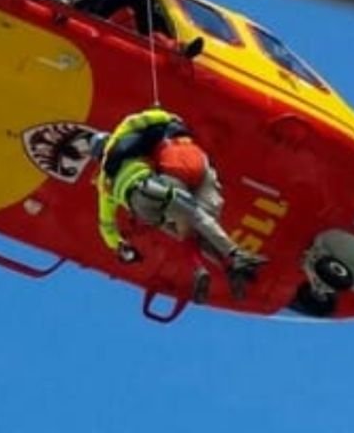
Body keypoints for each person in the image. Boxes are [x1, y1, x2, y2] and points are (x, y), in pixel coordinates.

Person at [92, 107, 267, 302]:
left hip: (144, 211)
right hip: (152, 187)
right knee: (196, 215)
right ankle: (234, 255)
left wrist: (121, 246)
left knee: (186, 235)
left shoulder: (103, 183)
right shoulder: (121, 141)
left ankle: (201, 268)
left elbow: (106, 225)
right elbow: (135, 121)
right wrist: (167, 116)